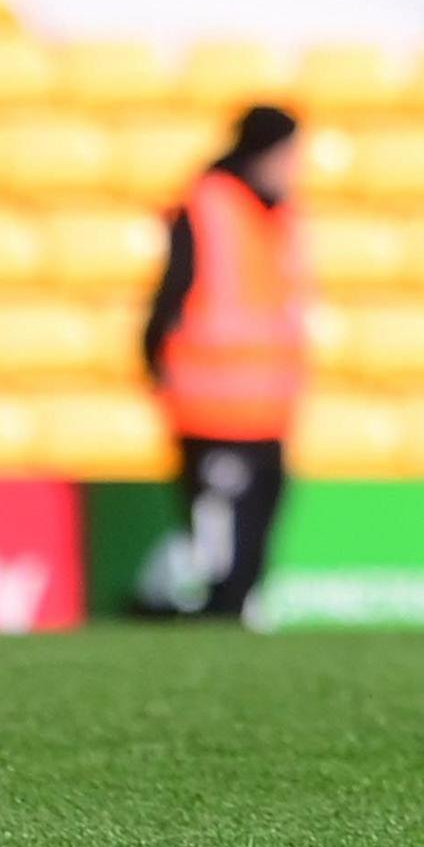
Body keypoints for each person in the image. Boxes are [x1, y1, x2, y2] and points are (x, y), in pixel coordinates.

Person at [139, 105, 306, 623]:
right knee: (219, 530)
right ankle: (209, 611)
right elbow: (173, 291)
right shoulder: (208, 204)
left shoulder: (279, 212)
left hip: (268, 405)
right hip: (210, 401)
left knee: (256, 525)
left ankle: (235, 608)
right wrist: (153, 356)